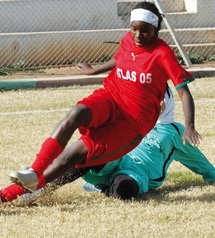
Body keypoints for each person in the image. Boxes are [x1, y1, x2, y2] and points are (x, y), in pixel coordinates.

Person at [7, 1, 201, 198]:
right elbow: (121, 57)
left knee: (72, 155)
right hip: (112, 97)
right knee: (76, 113)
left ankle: (10, 194)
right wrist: (94, 70)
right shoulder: (128, 40)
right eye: (134, 29)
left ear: (156, 30)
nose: (138, 35)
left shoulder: (162, 53)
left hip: (132, 122)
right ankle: (33, 172)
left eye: (145, 31)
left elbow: (184, 93)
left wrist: (189, 126)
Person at [0, 86, 212, 203]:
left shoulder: (175, 131)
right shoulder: (133, 120)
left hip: (138, 174)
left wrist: (211, 175)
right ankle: (33, 191)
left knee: (125, 188)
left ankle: (101, 187)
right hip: (116, 160)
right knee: (89, 154)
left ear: (166, 102)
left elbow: (200, 163)